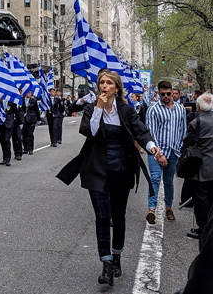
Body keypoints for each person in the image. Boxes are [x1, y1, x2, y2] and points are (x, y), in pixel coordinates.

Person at [57, 68, 161, 287]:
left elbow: (141, 131)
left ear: (117, 87)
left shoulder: (125, 110)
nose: (104, 86)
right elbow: (89, 131)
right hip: (97, 169)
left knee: (118, 215)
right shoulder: (91, 109)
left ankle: (117, 256)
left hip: (121, 169)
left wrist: (152, 148)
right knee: (102, 217)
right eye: (101, 83)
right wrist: (98, 109)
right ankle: (106, 264)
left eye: (108, 83)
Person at [182, 92, 213, 240]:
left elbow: (187, 142)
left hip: (201, 166)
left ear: (197, 106)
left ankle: (203, 228)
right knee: (211, 197)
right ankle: (211, 226)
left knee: (201, 199)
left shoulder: (196, 123)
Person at [144, 80, 187, 224]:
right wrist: (159, 153)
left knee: (169, 181)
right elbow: (151, 132)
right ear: (158, 93)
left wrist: (181, 149)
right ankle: (152, 209)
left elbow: (183, 130)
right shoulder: (153, 109)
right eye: (163, 94)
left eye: (169, 93)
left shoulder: (180, 109)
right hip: (157, 151)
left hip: (174, 151)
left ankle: (169, 208)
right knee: (155, 179)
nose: (166, 96)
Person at [0, 99, 22, 165]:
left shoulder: (11, 102)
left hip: (9, 123)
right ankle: (4, 158)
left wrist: (20, 122)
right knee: (2, 141)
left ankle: (8, 159)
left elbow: (16, 112)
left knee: (6, 140)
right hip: (1, 124)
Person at [22, 90, 41, 155]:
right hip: (24, 120)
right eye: (28, 92)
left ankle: (30, 148)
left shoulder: (33, 100)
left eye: (30, 92)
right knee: (24, 134)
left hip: (31, 119)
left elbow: (37, 110)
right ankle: (25, 148)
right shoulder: (21, 100)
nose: (30, 94)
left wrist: (39, 119)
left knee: (30, 133)